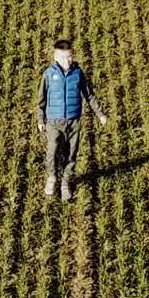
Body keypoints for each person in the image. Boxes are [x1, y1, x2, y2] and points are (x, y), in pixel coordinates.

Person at [36, 39, 108, 202]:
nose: (66, 61)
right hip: (54, 122)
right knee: (52, 153)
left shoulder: (78, 73)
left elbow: (89, 95)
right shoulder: (49, 74)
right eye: (62, 57)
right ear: (55, 57)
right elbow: (41, 99)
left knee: (71, 154)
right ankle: (52, 177)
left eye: (69, 57)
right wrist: (41, 119)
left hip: (73, 122)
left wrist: (100, 114)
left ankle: (65, 183)